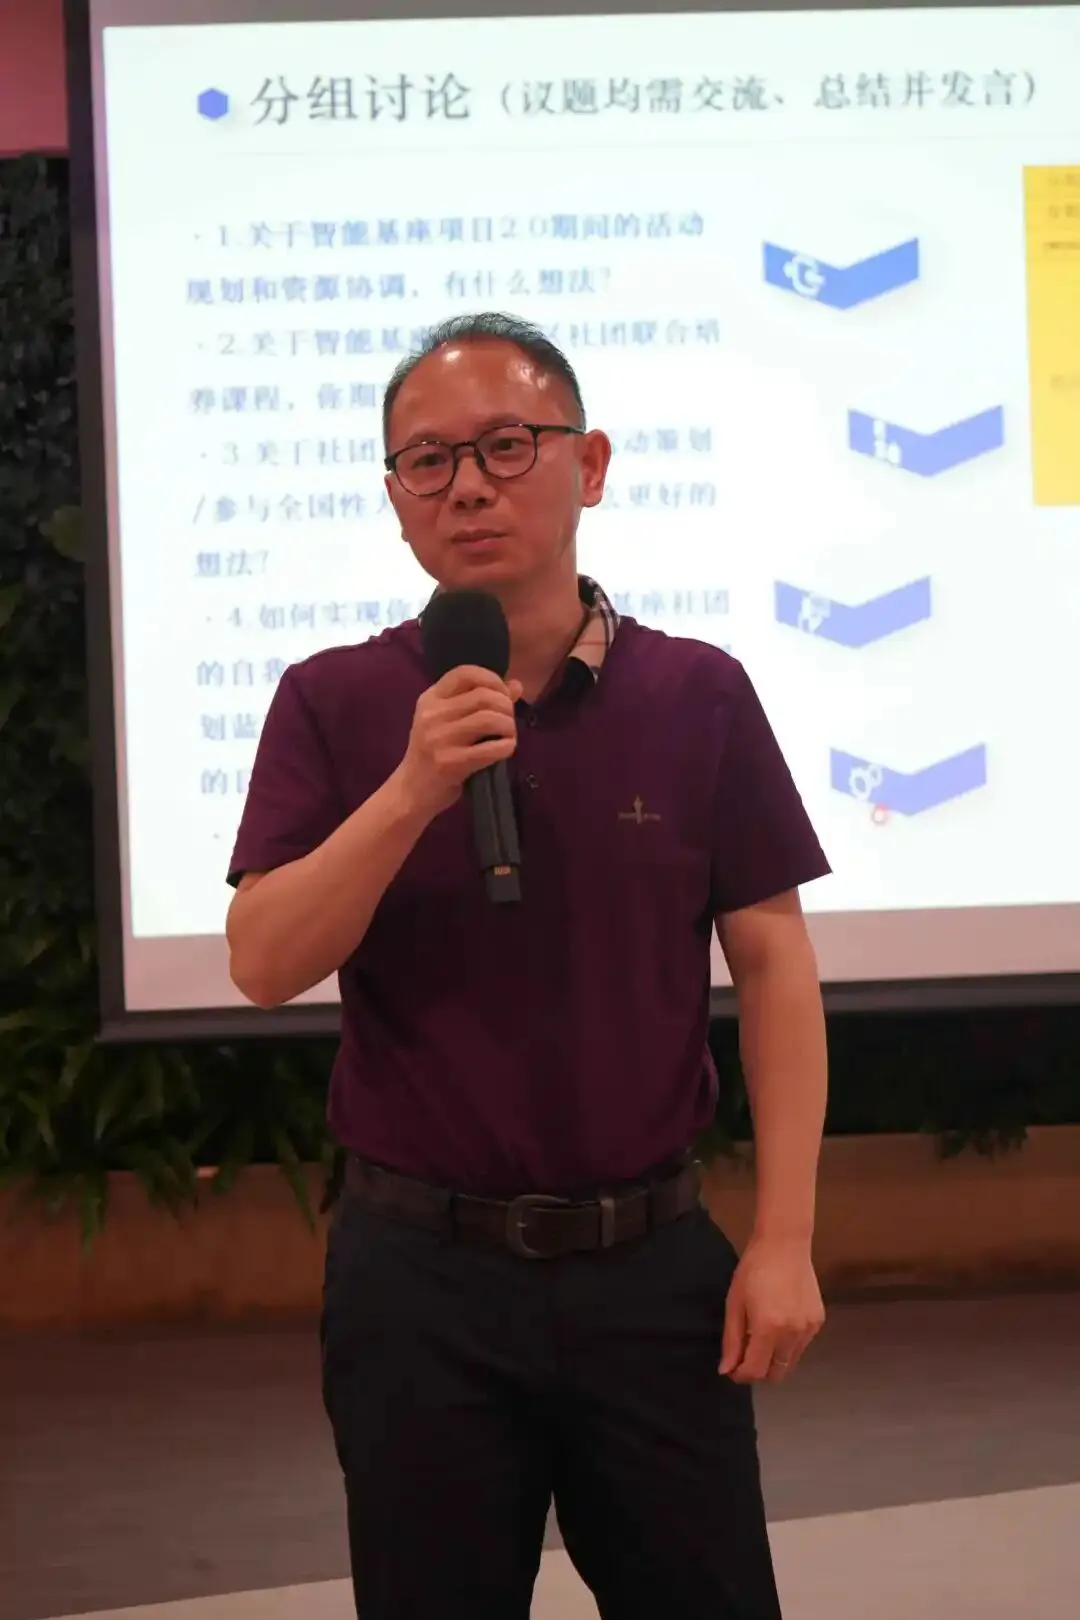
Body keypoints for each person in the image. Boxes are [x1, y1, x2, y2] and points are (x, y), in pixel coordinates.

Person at [226, 311, 831, 1620]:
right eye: (428, 462)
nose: (468, 487)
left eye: (507, 445)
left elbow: (775, 962)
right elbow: (264, 962)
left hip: (651, 1266)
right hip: (418, 1285)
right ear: (396, 499)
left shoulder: (698, 694)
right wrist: (411, 790)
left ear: (589, 464)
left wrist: (785, 1238)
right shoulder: (333, 700)